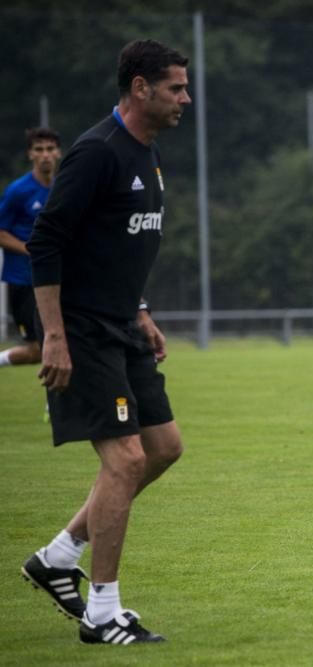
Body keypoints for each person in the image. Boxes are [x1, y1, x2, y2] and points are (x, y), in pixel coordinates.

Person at [21, 39, 191, 645]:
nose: (185, 98)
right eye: (175, 87)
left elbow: (117, 245)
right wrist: (54, 338)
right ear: (140, 88)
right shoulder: (95, 153)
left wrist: (141, 310)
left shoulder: (150, 153)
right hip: (85, 330)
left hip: (123, 325)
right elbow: (47, 244)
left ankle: (58, 555)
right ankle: (102, 612)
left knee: (164, 447)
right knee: (125, 460)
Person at [0, 128, 61, 368]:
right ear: (30, 155)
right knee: (39, 349)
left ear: (58, 153)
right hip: (23, 281)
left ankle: (56, 405)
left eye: (49, 149)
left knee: (64, 342)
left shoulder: (62, 189)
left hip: (56, 280)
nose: (45, 155)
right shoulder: (18, 191)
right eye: (39, 149)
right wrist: (32, 249)